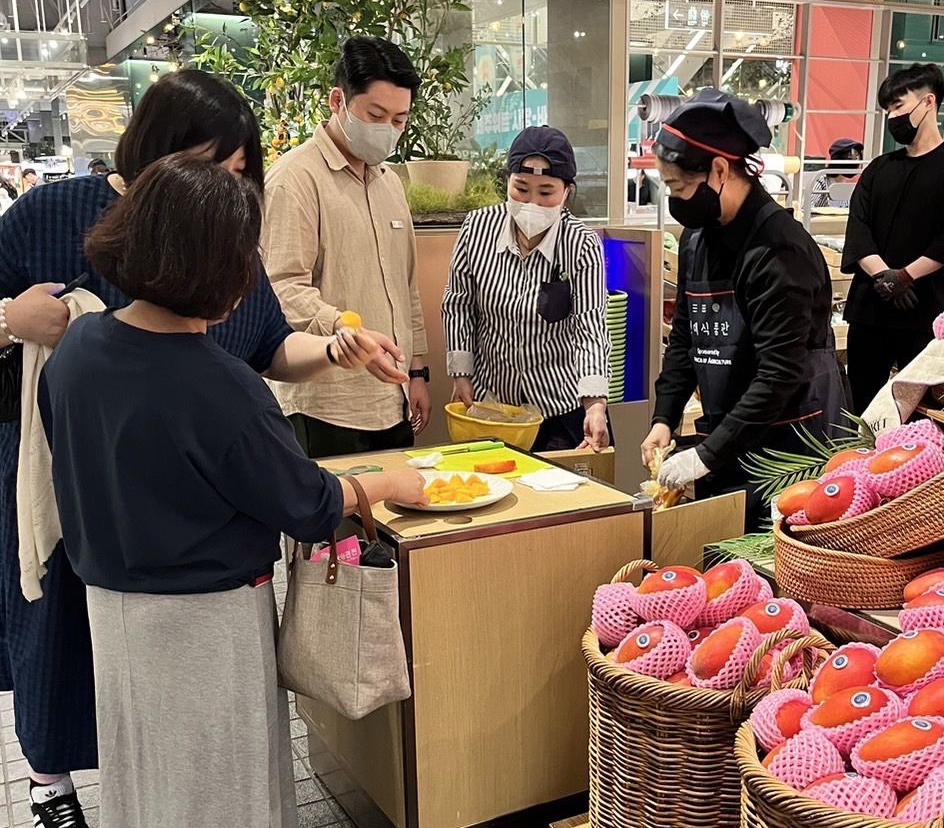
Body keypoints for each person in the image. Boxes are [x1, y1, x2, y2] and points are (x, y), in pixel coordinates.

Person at [0, 69, 405, 828]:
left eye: (237, 172)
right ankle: (48, 781)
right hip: (198, 604)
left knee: (145, 761)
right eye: (210, 167)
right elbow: (302, 500)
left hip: (115, 560)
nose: (227, 184)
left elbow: (271, 345)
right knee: (221, 775)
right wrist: (380, 483)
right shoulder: (218, 387)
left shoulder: (88, 343)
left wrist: (331, 347)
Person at [640, 89, 848, 531]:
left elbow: (779, 373)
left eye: (679, 186)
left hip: (790, 445)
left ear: (719, 170)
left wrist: (707, 454)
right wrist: (666, 416)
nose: (675, 198)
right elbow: (686, 338)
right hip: (731, 435)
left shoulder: (779, 251)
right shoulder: (699, 236)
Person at [263, 35, 431, 458]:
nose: (387, 130)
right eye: (376, 115)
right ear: (337, 100)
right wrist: (344, 330)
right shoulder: (295, 180)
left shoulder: (389, 181)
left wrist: (418, 372)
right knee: (336, 524)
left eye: (399, 120)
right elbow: (280, 290)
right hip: (326, 406)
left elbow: (405, 285)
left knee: (393, 521)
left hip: (393, 401)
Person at [442, 126, 612, 452]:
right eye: (521, 188)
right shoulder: (477, 228)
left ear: (567, 193)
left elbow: (590, 328)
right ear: (506, 183)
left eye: (546, 192)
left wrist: (594, 405)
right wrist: (461, 373)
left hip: (559, 408)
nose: (531, 202)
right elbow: (458, 303)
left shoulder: (581, 244)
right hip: (493, 405)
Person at [842, 63, 944, 414]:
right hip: (869, 308)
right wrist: (884, 277)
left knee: (920, 408)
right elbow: (858, 228)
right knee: (861, 403)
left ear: (928, 102)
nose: (893, 116)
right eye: (888, 109)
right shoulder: (879, 168)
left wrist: (906, 277)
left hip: (925, 308)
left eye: (898, 106)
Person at [811, 138, 863, 209]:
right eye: (850, 156)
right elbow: (807, 206)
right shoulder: (821, 182)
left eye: (857, 156)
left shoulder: (851, 186)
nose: (855, 161)